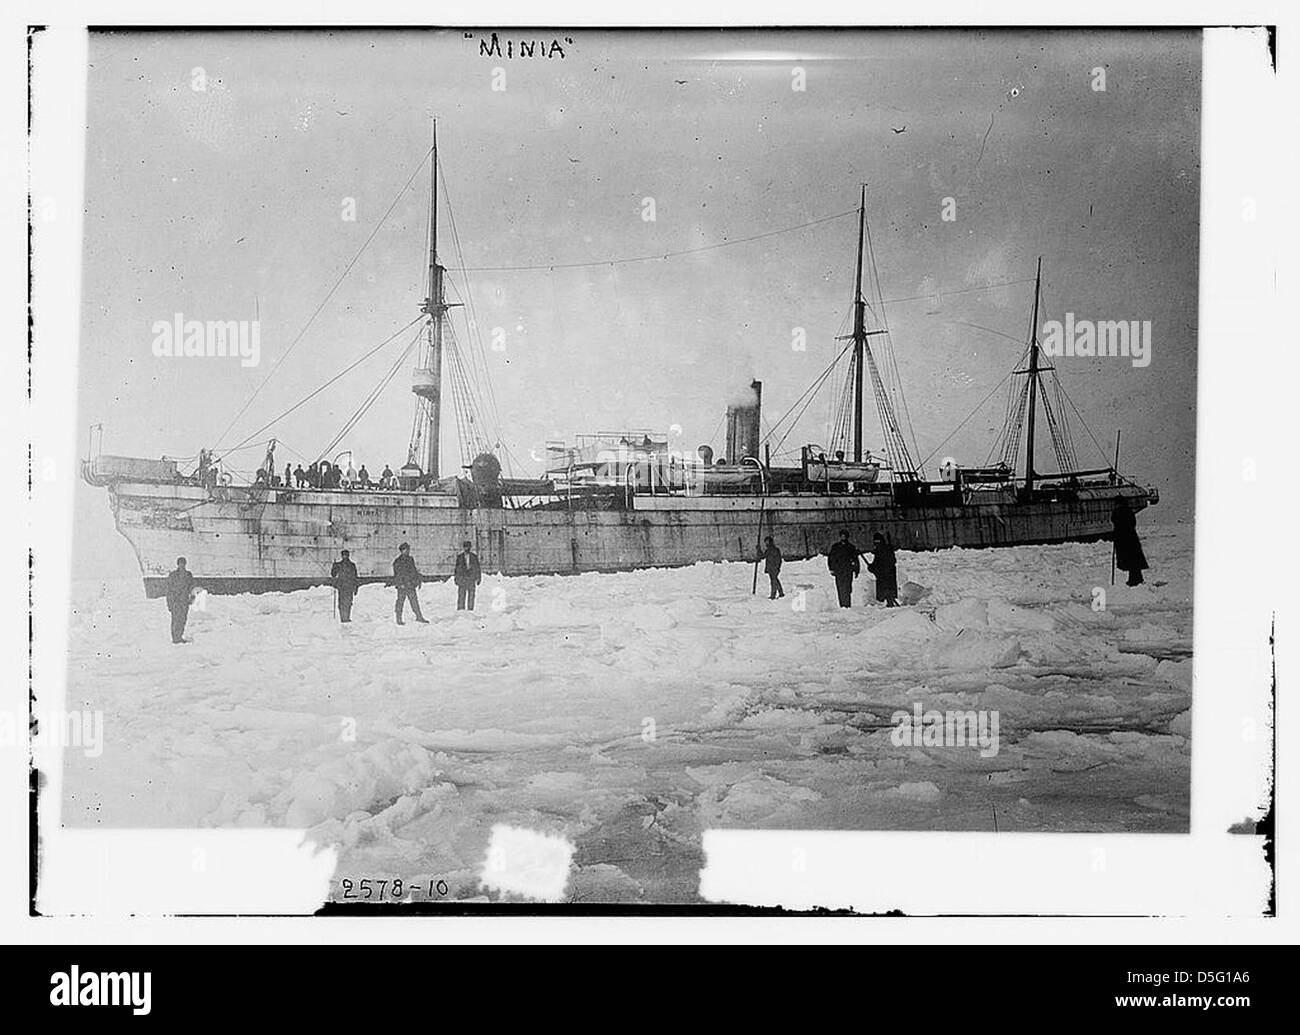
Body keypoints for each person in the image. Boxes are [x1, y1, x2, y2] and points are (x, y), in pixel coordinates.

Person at [1112, 499, 1149, 586]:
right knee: (1134, 560)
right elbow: (1133, 523)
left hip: (1122, 539)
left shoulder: (1116, 512)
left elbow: (1115, 522)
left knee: (1129, 561)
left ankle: (1134, 580)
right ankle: (1137, 578)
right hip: (1131, 538)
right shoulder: (1129, 511)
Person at [392, 542, 428, 624]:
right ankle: (399, 619)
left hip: (410, 585)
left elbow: (414, 571)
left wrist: (418, 580)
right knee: (400, 602)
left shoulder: (410, 559)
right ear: (401, 551)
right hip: (402, 586)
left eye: (408, 549)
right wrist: (400, 584)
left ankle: (419, 617)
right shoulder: (398, 561)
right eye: (405, 550)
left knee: (414, 602)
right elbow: (397, 574)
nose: (407, 551)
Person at [164, 556, 196, 643]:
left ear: (185, 564)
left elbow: (192, 587)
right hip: (176, 601)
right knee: (175, 620)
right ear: (177, 564)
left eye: (183, 563)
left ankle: (180, 636)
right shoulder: (173, 575)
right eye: (180, 563)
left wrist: (192, 597)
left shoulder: (188, 575)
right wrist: (169, 604)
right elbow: (169, 590)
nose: (182, 565)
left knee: (183, 620)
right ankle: (175, 638)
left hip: (185, 602)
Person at [827, 529, 860, 608]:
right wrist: (831, 568)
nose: (843, 537)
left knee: (848, 587)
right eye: (841, 535)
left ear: (847, 537)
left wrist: (856, 570)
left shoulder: (851, 547)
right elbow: (831, 558)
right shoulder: (835, 547)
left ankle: (847, 604)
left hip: (848, 570)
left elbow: (855, 559)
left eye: (844, 535)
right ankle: (842, 605)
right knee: (840, 587)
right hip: (839, 571)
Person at [866, 532, 899, 607]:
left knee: (887, 589)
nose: (876, 543)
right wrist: (872, 567)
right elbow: (876, 562)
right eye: (875, 541)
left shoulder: (885, 549)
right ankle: (889, 601)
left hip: (886, 574)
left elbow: (890, 561)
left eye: (878, 541)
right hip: (884, 574)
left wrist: (874, 568)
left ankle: (890, 602)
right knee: (887, 589)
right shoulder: (882, 549)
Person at [331, 549, 360, 622]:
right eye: (343, 555)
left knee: (348, 603)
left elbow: (355, 577)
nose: (344, 557)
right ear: (341, 556)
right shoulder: (339, 565)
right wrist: (334, 567)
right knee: (342, 603)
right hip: (342, 587)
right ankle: (343, 618)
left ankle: (346, 617)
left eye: (346, 555)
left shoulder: (352, 565)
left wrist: (356, 588)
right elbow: (333, 574)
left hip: (349, 587)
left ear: (348, 556)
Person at [454, 540, 482, 611]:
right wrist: (456, 579)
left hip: (471, 579)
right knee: (461, 596)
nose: (467, 549)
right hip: (462, 580)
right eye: (465, 547)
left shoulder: (474, 557)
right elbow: (457, 569)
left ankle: (470, 610)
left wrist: (478, 578)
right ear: (463, 548)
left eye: (468, 547)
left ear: (470, 547)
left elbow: (477, 568)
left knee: (471, 596)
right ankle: (461, 610)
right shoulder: (460, 557)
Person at [760, 535, 784, 600]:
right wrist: (759, 550)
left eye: (767, 542)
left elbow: (778, 560)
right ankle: (781, 593)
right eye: (765, 543)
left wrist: (777, 567)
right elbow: (762, 556)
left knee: (773, 581)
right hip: (770, 568)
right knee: (775, 580)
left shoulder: (775, 550)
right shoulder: (768, 550)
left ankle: (773, 595)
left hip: (774, 568)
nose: (766, 544)